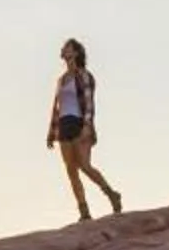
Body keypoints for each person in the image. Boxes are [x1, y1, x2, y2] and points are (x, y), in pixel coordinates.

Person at [46, 37, 123, 220]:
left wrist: (87, 126)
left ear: (76, 52)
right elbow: (57, 107)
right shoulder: (61, 80)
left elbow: (89, 103)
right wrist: (51, 133)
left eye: (67, 47)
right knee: (71, 170)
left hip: (79, 123)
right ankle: (84, 212)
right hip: (63, 125)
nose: (63, 49)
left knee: (85, 165)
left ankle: (111, 194)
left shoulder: (84, 75)